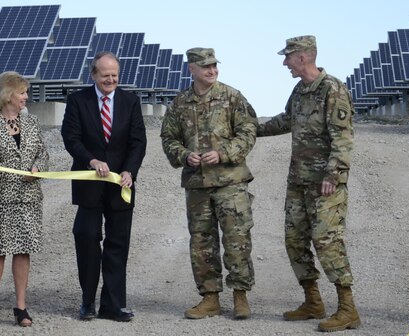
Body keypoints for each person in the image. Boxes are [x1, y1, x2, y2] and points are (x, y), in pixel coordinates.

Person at [257, 36, 360, 332]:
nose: (284, 62)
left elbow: (343, 138)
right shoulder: (300, 91)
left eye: (288, 57)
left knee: (327, 242)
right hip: (299, 182)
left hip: (325, 185)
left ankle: (348, 309)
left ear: (303, 57)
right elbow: (286, 120)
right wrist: (252, 129)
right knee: (295, 241)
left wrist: (333, 175)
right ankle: (313, 301)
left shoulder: (333, 89)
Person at [160, 47, 258, 320]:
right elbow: (168, 138)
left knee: (237, 239)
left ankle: (240, 296)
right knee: (202, 243)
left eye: (214, 65)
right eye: (206, 66)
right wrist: (183, 155)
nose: (212, 70)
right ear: (192, 69)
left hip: (231, 183)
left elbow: (249, 131)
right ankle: (210, 297)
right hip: (197, 185)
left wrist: (224, 153)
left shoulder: (231, 97)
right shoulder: (180, 104)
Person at [61, 51, 147, 322]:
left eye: (115, 75)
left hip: (121, 184)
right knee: (86, 237)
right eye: (105, 74)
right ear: (94, 74)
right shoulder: (78, 101)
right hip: (89, 183)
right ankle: (87, 301)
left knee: (117, 244)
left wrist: (129, 170)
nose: (111, 79)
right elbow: (71, 138)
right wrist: (91, 160)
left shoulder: (130, 101)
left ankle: (113, 305)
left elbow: (138, 142)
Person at [0, 71, 50, 330]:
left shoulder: (33, 123)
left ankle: (20, 306)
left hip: (28, 198)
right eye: (22, 92)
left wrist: (37, 169)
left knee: (22, 250)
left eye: (26, 92)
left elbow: (43, 154)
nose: (26, 97)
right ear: (8, 95)